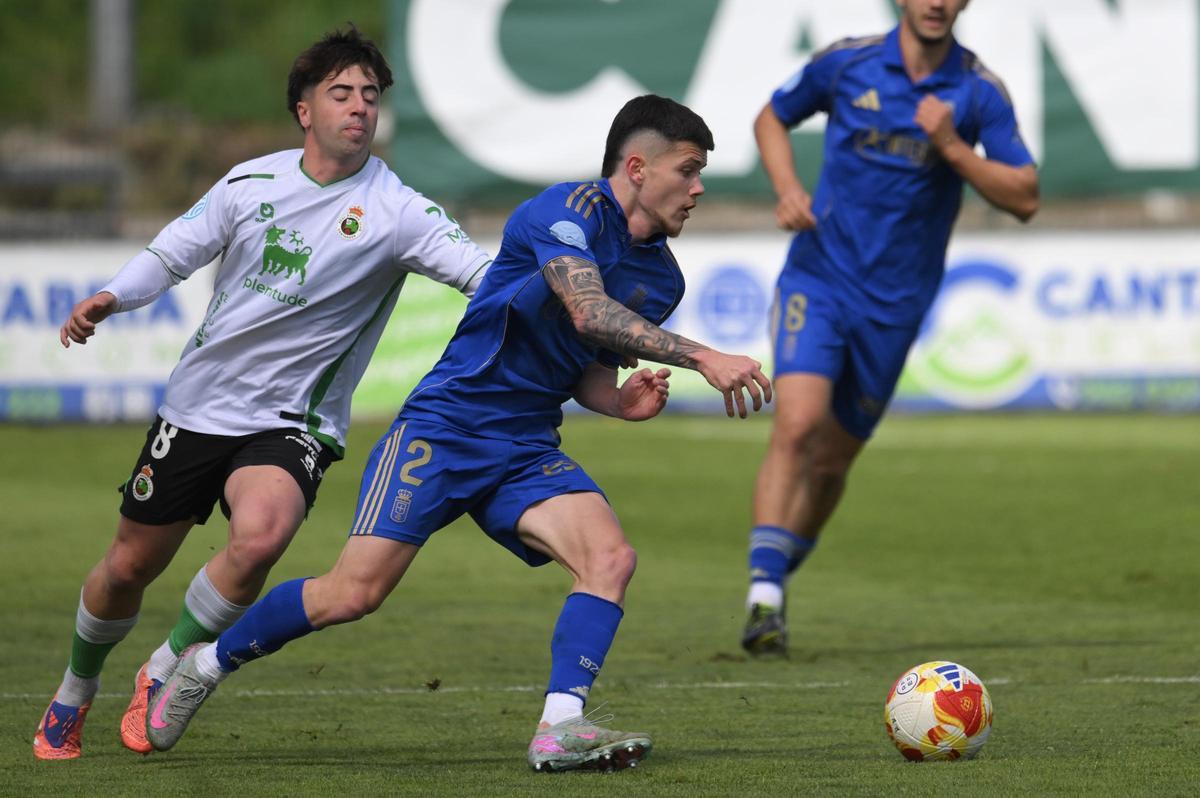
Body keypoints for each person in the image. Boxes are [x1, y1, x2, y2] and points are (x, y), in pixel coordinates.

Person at [141, 94, 772, 773]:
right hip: (445, 427)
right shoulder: (562, 212)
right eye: (690, 170)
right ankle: (207, 663)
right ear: (639, 167)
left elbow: (581, 363)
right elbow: (587, 312)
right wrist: (704, 355)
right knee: (353, 594)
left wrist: (617, 401)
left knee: (611, 559)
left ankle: (560, 725)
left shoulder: (660, 276)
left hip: (525, 446)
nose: (700, 188)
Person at [33, 26, 493, 761]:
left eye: (370, 96)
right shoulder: (250, 183)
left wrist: (564, 293)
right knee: (126, 569)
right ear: (304, 110)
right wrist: (112, 297)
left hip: (293, 420)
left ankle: (164, 667)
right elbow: (174, 252)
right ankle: (73, 692)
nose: (359, 108)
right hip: (196, 408)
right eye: (341, 93)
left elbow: (483, 276)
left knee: (264, 534)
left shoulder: (400, 210)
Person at [740, 0, 1039, 655]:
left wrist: (953, 147)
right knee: (797, 423)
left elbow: (1025, 196)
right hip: (819, 279)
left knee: (831, 465)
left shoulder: (977, 91)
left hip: (896, 307)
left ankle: (777, 578)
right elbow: (772, 116)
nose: (935, 2)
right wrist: (787, 186)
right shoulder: (848, 62)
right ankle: (762, 595)